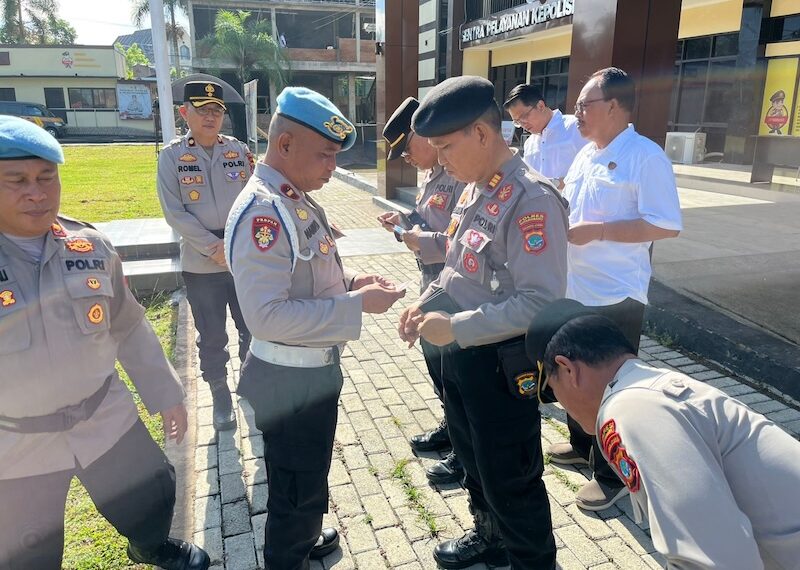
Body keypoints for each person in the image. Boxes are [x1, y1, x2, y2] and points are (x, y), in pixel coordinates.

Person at [0, 116, 209, 569]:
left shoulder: (90, 246)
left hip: (103, 415)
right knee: (27, 554)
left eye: (46, 177)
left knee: (153, 497)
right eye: (17, 181)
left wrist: (166, 393)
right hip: (15, 444)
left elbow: (128, 325)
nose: (36, 193)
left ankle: (151, 547)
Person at [225, 87, 405, 569]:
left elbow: (311, 268)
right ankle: (290, 552)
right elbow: (266, 315)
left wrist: (353, 280)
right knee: (293, 488)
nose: (333, 166)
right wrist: (356, 305)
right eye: (325, 154)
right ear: (285, 144)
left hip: (309, 371)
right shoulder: (264, 211)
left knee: (308, 474)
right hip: (290, 379)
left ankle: (304, 534)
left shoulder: (292, 197)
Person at [399, 76, 569, 569]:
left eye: (445, 147)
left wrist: (456, 328)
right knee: (473, 460)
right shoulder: (475, 189)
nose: (440, 159)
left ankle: (533, 562)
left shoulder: (532, 199)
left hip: (501, 364)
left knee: (511, 479)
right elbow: (457, 264)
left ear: (480, 133)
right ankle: (489, 538)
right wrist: (425, 302)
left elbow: (541, 302)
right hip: (463, 358)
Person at [526, 298, 800, 570]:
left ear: (568, 369)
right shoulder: (646, 390)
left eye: (551, 390)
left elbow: (716, 563)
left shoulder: (631, 408)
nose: (560, 403)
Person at [549, 67, 683, 511]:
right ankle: (582, 446)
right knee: (574, 375)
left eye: (583, 105)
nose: (576, 112)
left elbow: (666, 225)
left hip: (615, 295)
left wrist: (601, 231)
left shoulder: (645, 156)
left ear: (612, 107)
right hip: (574, 288)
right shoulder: (586, 155)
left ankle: (613, 476)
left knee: (612, 387)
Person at [377, 96, 467, 485]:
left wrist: (419, 239)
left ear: (423, 133)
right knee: (439, 370)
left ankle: (465, 453)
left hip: (456, 288)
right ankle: (452, 429)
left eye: (406, 148)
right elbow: (428, 222)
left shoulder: (460, 174)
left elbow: (465, 243)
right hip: (431, 283)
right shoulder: (432, 176)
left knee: (458, 375)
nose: (406, 158)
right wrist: (403, 223)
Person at [157, 80, 254, 432]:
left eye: (217, 110)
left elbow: (255, 197)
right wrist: (214, 248)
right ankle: (220, 395)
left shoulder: (239, 151)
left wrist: (233, 246)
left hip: (241, 257)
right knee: (212, 336)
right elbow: (175, 213)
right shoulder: (171, 157)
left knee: (252, 326)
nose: (211, 117)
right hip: (201, 263)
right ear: (185, 113)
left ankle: (250, 382)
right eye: (202, 110)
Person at [503, 84, 585, 188]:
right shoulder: (529, 143)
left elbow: (591, 170)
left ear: (540, 106)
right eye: (517, 122)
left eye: (524, 116)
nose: (523, 124)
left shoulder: (575, 127)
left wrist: (554, 184)